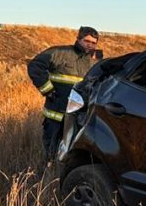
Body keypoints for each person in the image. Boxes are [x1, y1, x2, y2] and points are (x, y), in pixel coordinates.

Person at [27, 26, 104, 159]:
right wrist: (48, 90)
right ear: (78, 39)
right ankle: (48, 173)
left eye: (93, 43)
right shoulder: (60, 52)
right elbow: (35, 66)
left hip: (79, 117)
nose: (90, 45)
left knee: (73, 153)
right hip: (56, 114)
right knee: (51, 149)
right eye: (87, 41)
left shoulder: (95, 61)